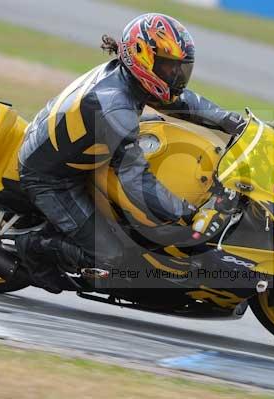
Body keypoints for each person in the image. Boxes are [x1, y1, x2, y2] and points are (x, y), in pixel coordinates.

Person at [16, 13, 246, 293]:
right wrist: (189, 213)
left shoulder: (130, 78)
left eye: (180, 68)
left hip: (82, 151)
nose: (176, 75)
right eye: (168, 67)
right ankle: (34, 249)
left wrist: (230, 121)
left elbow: (179, 101)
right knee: (111, 257)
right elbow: (136, 179)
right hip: (52, 178)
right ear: (143, 59)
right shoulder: (114, 107)